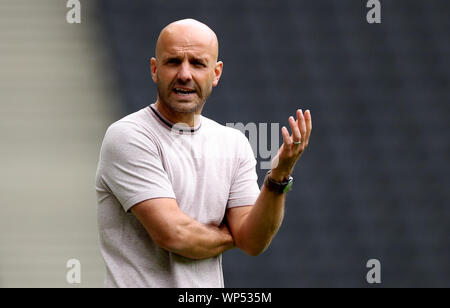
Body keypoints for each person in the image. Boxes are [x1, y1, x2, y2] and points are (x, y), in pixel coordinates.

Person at [95, 18, 312, 288]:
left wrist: (279, 177)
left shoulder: (233, 143)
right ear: (154, 69)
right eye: (173, 61)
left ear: (216, 73)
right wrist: (231, 237)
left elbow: (254, 241)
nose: (184, 74)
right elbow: (174, 234)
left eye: (197, 63)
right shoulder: (129, 135)